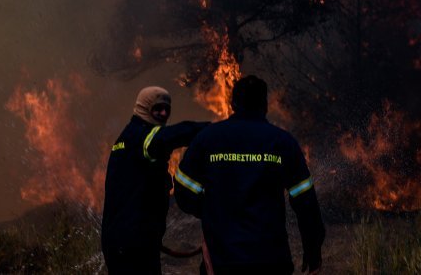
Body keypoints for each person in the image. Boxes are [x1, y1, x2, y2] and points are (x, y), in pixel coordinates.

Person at [174, 76, 325, 275]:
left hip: (222, 259)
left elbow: (183, 190)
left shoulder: (208, 138)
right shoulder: (283, 142)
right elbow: (306, 204)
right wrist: (312, 251)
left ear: (233, 103)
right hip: (271, 260)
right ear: (265, 105)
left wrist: (211, 210)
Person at [101, 86, 209, 275]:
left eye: (167, 109)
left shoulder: (127, 137)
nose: (164, 113)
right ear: (144, 107)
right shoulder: (142, 137)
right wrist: (218, 130)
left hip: (125, 240)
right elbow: (174, 135)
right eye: (158, 108)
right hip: (133, 244)